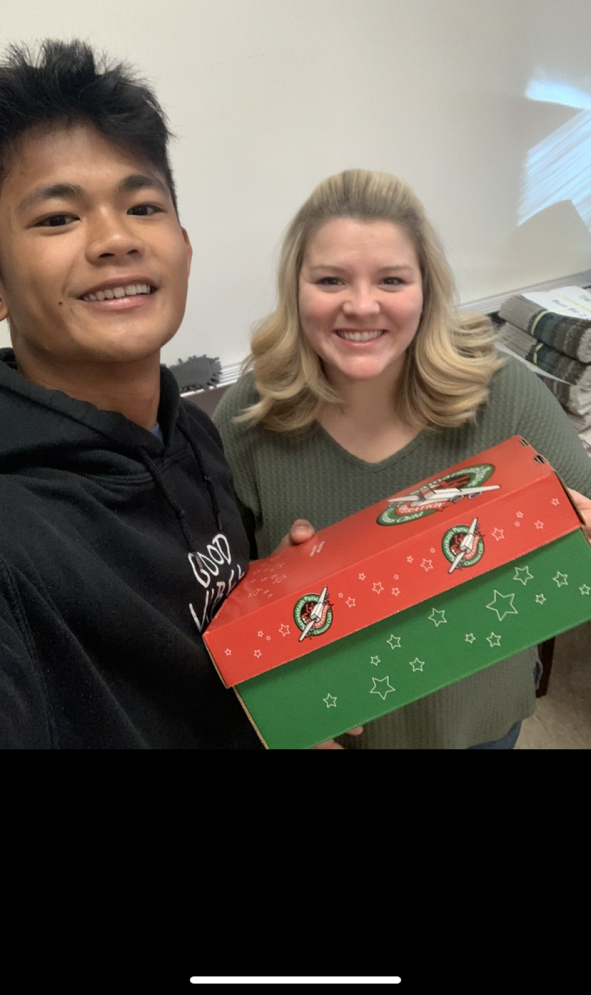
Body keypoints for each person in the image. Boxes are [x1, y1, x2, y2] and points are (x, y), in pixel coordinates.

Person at [214, 169, 591, 749]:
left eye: (391, 279)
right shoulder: (248, 417)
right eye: (331, 279)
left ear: (426, 289)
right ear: (296, 289)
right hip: (327, 732)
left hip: (480, 725)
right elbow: (207, 602)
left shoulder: (502, 393)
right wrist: (270, 595)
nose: (362, 305)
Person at [0, 38, 266, 749]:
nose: (115, 239)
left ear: (184, 246)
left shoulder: (193, 431)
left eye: (143, 206)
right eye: (58, 218)